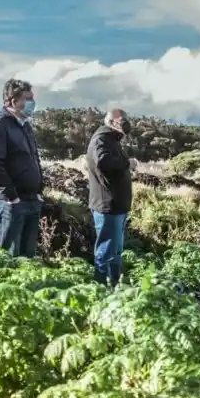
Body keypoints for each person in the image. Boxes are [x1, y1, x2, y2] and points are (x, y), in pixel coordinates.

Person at [0, 79, 44, 257]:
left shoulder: (26, 127)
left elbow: (35, 160)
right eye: (28, 98)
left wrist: (39, 191)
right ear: (13, 101)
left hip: (31, 200)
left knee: (27, 258)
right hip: (10, 203)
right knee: (11, 257)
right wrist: (12, 197)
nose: (32, 103)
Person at [85, 108, 137, 287]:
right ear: (111, 121)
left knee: (115, 250)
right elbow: (103, 162)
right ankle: (101, 288)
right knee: (106, 251)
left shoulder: (112, 140)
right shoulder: (101, 138)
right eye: (122, 120)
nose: (125, 123)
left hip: (118, 206)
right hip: (107, 205)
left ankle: (115, 285)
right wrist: (127, 163)